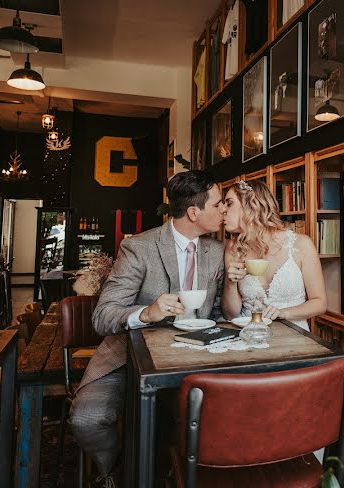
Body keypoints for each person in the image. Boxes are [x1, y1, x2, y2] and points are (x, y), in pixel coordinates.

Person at [69, 170, 227, 487]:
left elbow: (221, 311)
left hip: (198, 361)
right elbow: (102, 316)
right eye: (219, 204)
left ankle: (174, 471)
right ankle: (113, 472)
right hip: (129, 359)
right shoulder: (139, 248)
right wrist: (146, 313)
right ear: (194, 213)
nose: (224, 210)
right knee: (87, 419)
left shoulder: (218, 252)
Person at [221, 179, 326, 330]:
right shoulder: (233, 249)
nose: (223, 210)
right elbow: (231, 315)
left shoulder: (301, 244)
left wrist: (284, 313)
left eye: (229, 203)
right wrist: (230, 283)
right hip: (250, 335)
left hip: (293, 338)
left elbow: (320, 302)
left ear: (251, 205)